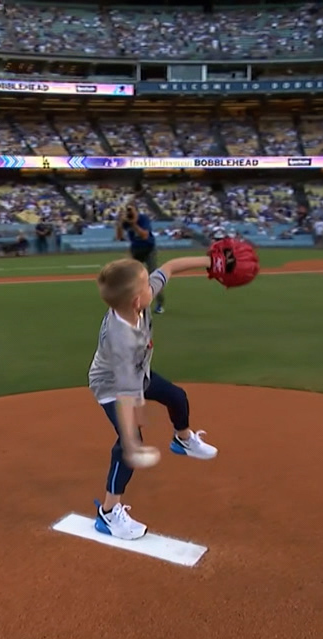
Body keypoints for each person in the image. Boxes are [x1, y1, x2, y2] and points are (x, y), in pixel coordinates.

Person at [87, 255, 219, 540]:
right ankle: (108, 514)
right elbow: (125, 396)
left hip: (139, 373)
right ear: (137, 300)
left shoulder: (135, 301)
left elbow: (170, 266)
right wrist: (133, 441)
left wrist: (210, 261)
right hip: (111, 385)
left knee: (176, 396)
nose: (154, 285)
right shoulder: (121, 339)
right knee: (127, 441)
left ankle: (182, 439)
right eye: (147, 284)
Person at [115, 202, 165, 314]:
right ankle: (131, 302)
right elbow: (119, 237)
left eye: (131, 211)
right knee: (130, 277)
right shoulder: (126, 221)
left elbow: (144, 235)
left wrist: (133, 224)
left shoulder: (143, 219)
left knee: (153, 276)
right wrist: (119, 224)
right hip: (135, 250)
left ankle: (159, 303)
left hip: (149, 249)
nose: (130, 214)